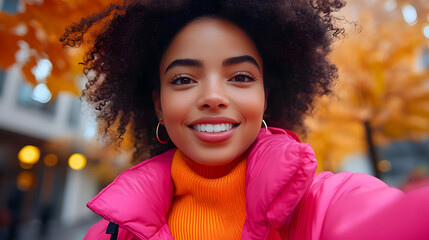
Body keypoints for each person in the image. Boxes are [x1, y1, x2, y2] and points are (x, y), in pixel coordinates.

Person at [60, 0, 429, 239]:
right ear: (158, 104)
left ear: (266, 98)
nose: (213, 97)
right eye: (184, 79)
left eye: (240, 77)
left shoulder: (325, 203)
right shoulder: (109, 233)